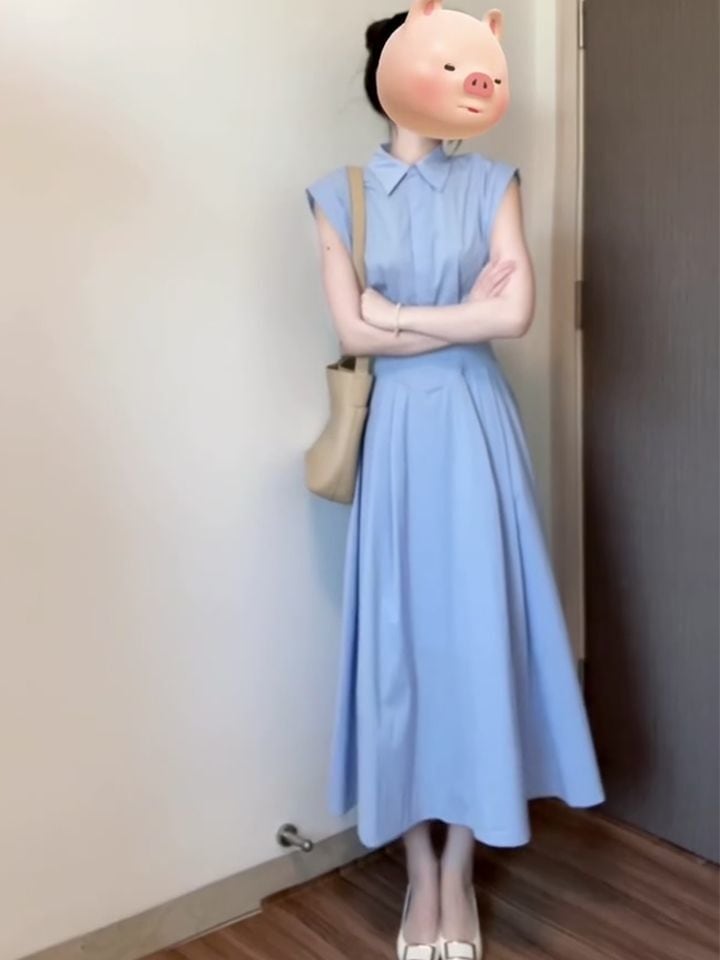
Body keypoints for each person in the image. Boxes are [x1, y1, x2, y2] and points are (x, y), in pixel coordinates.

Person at [305, 10, 605, 960]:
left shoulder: (491, 182)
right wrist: (450, 315)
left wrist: (395, 312)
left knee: (480, 636)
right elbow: (351, 332)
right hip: (396, 437)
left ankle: (461, 868)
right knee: (401, 648)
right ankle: (420, 870)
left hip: (475, 431)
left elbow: (512, 318)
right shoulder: (340, 194)